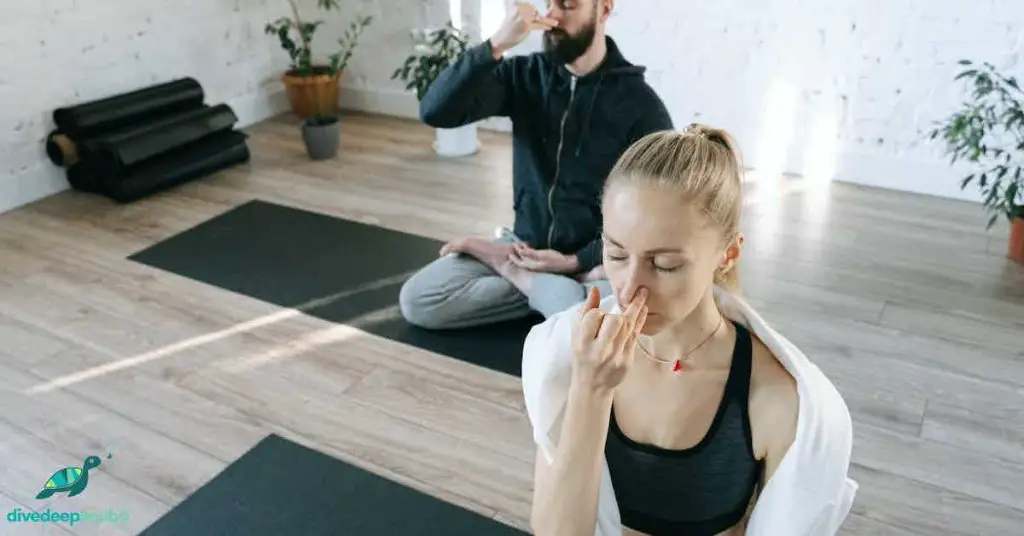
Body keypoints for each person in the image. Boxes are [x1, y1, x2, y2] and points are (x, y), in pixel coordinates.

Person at [521, 126, 857, 535]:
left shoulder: (775, 400)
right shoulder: (567, 354)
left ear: (728, 254)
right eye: (615, 253)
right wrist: (591, 390)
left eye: (664, 264)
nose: (628, 288)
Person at [398, 0, 674, 329]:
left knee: (610, 321)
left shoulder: (641, 105)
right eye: (548, 3)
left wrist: (577, 260)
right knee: (419, 299)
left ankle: (529, 284)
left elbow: (657, 216)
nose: (552, 15)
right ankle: (551, 295)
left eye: (568, 5)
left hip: (594, 260)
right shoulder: (525, 76)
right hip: (522, 248)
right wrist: (495, 45)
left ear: (604, 9)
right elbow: (435, 111)